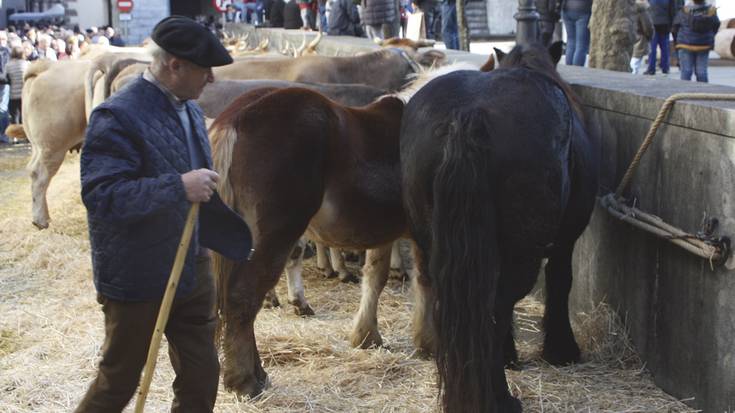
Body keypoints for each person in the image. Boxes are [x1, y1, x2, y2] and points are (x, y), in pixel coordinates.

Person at [74, 16, 252, 413]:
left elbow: (196, 186)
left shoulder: (187, 108)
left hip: (190, 265)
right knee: (119, 378)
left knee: (201, 374)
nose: (210, 80)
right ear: (175, 65)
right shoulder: (116, 116)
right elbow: (102, 195)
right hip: (137, 274)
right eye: (204, 70)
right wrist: (177, 186)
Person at [672, 0, 719, 82]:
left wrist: (677, 42)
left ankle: (685, 94)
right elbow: (716, 25)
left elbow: (675, 27)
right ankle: (703, 93)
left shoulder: (684, 10)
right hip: (704, 45)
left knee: (686, 72)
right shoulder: (711, 11)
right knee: (702, 72)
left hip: (685, 44)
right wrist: (709, 37)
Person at [644, 0, 675, 75]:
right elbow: (672, 11)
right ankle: (665, 67)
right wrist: (671, 24)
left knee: (652, 47)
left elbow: (647, 9)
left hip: (653, 22)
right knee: (665, 47)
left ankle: (651, 68)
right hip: (665, 23)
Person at [561, 0, 593, 66]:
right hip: (583, 9)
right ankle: (577, 70)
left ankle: (569, 68)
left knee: (571, 41)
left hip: (567, 8)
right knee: (581, 44)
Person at [5, 46, 28, 124]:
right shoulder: (26, 64)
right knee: (24, 115)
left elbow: (5, 78)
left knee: (14, 115)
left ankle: (16, 134)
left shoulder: (8, 65)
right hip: (24, 94)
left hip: (13, 94)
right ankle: (24, 133)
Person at [631, 0, 654, 74]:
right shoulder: (642, 10)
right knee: (635, 64)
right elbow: (648, 27)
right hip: (640, 39)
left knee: (632, 62)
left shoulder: (629, 8)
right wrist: (650, 36)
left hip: (632, 37)